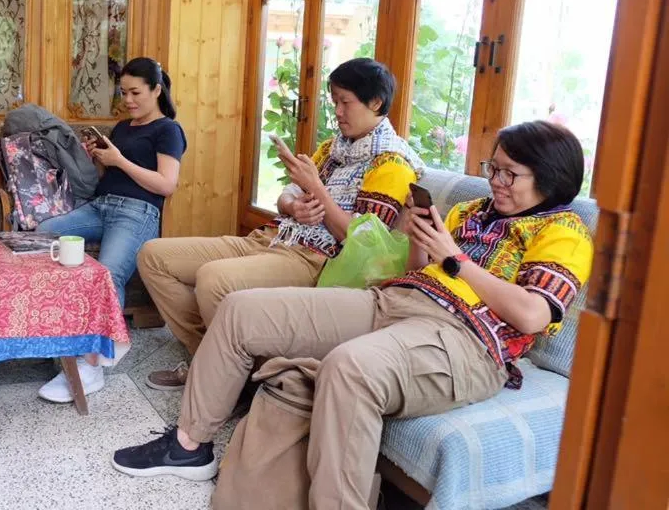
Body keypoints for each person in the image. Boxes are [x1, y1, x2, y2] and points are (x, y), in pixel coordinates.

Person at [112, 121, 594, 508]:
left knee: (348, 367)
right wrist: (419, 238)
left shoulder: (564, 231)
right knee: (241, 309)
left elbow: (533, 314)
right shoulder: (471, 212)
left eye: (510, 174)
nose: (496, 181)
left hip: (466, 342)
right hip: (394, 302)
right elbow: (416, 270)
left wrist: (455, 259)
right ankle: (189, 445)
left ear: (549, 177)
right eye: (494, 169)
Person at [136, 58, 424, 391]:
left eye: (345, 102)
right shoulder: (334, 148)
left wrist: (316, 189)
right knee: (153, 256)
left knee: (213, 280)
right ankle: (216, 362)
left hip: (313, 259)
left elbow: (361, 240)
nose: (338, 112)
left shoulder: (392, 163)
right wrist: (292, 205)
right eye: (334, 102)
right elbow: (287, 194)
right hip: (274, 236)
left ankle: (222, 375)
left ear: (375, 102)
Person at [36, 57, 187, 404]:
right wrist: (101, 160)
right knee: (41, 234)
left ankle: (92, 366)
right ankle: (59, 329)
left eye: (136, 92)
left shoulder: (168, 130)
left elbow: (166, 185)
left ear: (156, 90)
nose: (128, 100)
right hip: (101, 206)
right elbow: (112, 178)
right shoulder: (121, 127)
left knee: (107, 274)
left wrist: (120, 160)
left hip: (138, 212)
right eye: (123, 93)